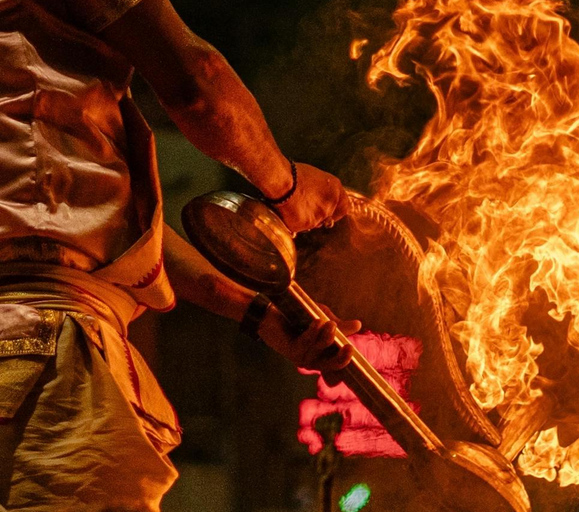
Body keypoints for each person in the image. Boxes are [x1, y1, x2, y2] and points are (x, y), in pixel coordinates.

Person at [0, 0, 357, 510]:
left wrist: (258, 314)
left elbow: (94, 232)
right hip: (40, 354)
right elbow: (198, 84)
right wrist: (287, 187)